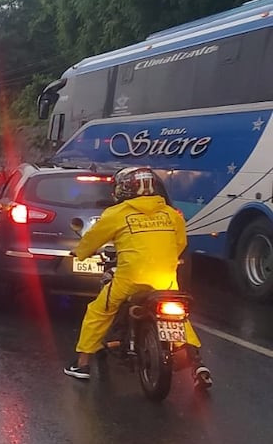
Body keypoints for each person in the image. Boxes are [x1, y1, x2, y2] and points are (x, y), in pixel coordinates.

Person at [64, 166, 212, 388]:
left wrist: (79, 253)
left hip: (130, 279)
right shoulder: (171, 214)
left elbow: (92, 239)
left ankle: (82, 364)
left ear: (124, 190)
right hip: (166, 279)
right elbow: (180, 244)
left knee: (99, 311)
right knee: (178, 317)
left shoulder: (116, 213)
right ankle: (196, 362)